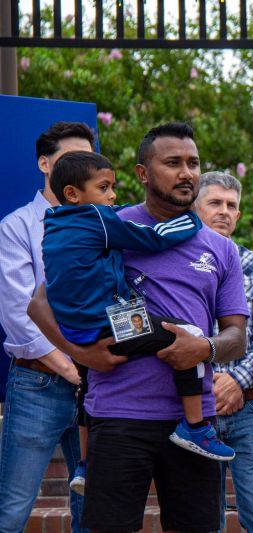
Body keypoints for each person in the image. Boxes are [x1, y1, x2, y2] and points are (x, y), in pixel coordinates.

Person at [28, 122, 249, 532]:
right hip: (118, 415)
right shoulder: (106, 225)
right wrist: (81, 354)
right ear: (143, 173)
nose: (187, 173)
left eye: (193, 163)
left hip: (195, 423)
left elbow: (237, 336)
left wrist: (205, 349)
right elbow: (40, 303)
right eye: (173, 163)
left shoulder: (222, 249)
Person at [0, 121, 94, 533]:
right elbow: (19, 312)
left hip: (98, 387)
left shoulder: (101, 225)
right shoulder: (17, 227)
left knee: (94, 510)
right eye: (68, 159)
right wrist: (71, 367)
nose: (78, 168)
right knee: (12, 509)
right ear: (44, 163)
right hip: (39, 384)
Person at [194, 171, 253, 532]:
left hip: (251, 407)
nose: (224, 212)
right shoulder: (176, 262)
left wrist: (235, 380)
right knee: (201, 521)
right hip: (195, 408)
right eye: (215, 203)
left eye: (232, 206)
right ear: (195, 207)